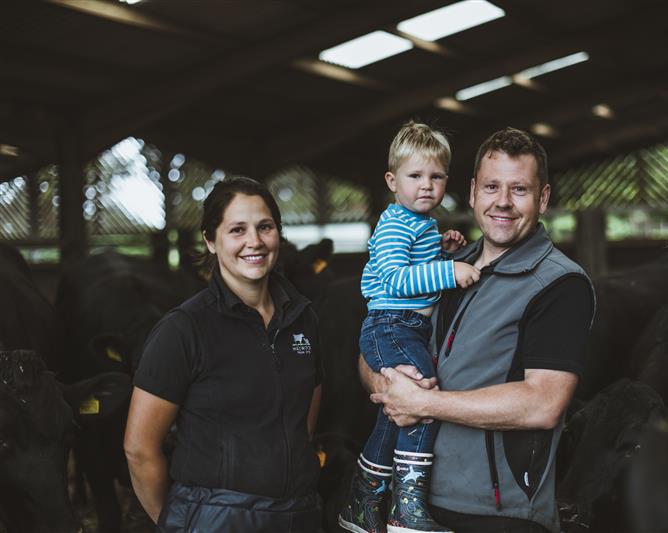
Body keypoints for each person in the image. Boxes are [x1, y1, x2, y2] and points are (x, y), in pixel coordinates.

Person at [364, 127, 595, 533]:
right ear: (472, 192)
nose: (502, 202)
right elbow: (375, 342)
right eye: (491, 187)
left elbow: (543, 403)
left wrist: (423, 403)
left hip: (497, 515)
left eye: (519, 189)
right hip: (414, 508)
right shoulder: (444, 269)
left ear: (543, 198)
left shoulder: (560, 284)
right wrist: (390, 385)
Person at [124, 177, 324, 532]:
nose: (255, 242)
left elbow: (302, 425)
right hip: (216, 518)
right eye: (237, 230)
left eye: (265, 227)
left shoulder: (303, 318)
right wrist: (177, 523)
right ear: (210, 241)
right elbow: (139, 449)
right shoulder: (184, 329)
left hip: (298, 514)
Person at [339, 121, 480, 533]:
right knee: (421, 402)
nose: (426, 186)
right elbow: (398, 279)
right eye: (415, 176)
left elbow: (417, 265)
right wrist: (448, 270)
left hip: (406, 327)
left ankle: (361, 507)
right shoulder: (396, 223)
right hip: (391, 325)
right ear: (392, 181)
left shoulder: (421, 224)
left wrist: (444, 248)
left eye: (436, 177)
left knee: (394, 415)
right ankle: (407, 509)